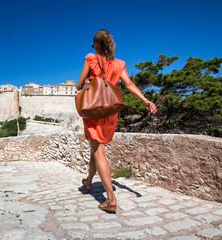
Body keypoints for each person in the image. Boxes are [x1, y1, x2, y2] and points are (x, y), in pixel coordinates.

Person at [76, 29, 157, 212]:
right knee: (94, 150)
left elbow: (79, 85)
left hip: (94, 110)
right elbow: (128, 84)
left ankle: (110, 199)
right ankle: (88, 182)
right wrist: (145, 100)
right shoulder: (119, 64)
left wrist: (89, 82)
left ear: (97, 44)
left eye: (93, 44)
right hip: (111, 111)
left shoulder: (90, 58)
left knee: (99, 152)